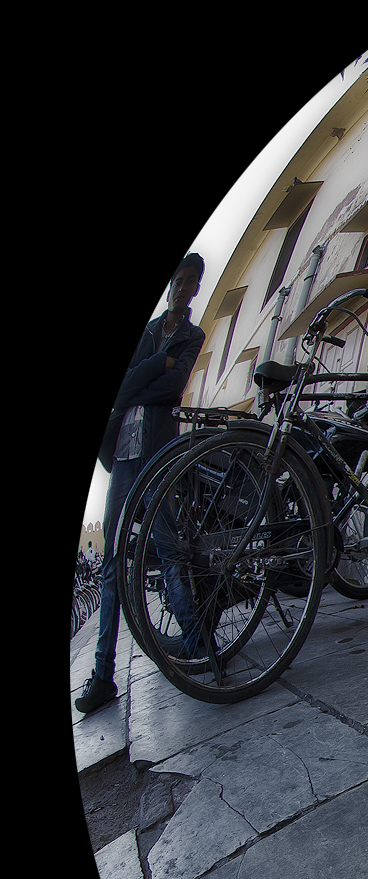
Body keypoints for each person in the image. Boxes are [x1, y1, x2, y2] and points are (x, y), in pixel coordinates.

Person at [75, 256, 209, 715]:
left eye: (191, 282)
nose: (182, 288)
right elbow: (129, 383)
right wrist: (154, 364)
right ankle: (103, 675)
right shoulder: (150, 331)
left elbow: (173, 386)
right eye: (178, 279)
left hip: (156, 454)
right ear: (171, 283)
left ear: (195, 291)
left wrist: (141, 381)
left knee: (170, 546)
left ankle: (195, 640)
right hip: (124, 458)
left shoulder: (193, 335)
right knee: (112, 563)